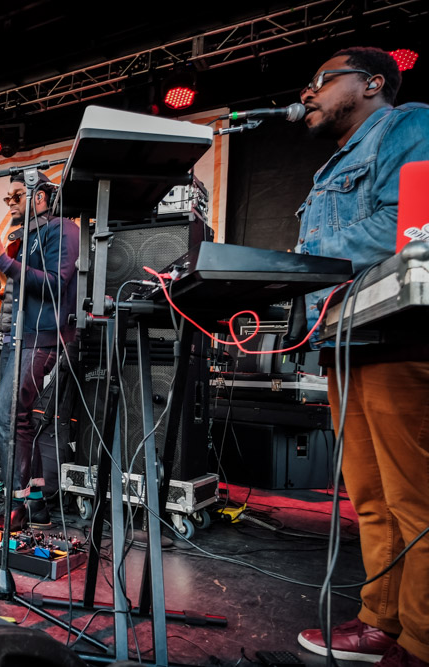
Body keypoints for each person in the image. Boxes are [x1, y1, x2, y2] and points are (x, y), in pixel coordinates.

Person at [290, 47, 429, 667]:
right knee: (369, 498)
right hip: (348, 341)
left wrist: (302, 260)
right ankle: (382, 621)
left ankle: (422, 643)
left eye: (321, 81)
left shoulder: (407, 124)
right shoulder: (333, 166)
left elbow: (407, 222)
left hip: (402, 337)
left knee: (415, 501)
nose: (309, 94)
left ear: (373, 83)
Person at [0, 171, 78, 528]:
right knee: (19, 420)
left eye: (17, 196)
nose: (10, 203)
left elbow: (55, 284)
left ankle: (15, 507)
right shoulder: (24, 236)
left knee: (8, 418)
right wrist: (3, 274)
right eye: (7, 198)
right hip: (17, 336)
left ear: (40, 197)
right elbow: (17, 285)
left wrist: (4, 262)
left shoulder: (63, 229)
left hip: (42, 338)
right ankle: (35, 507)